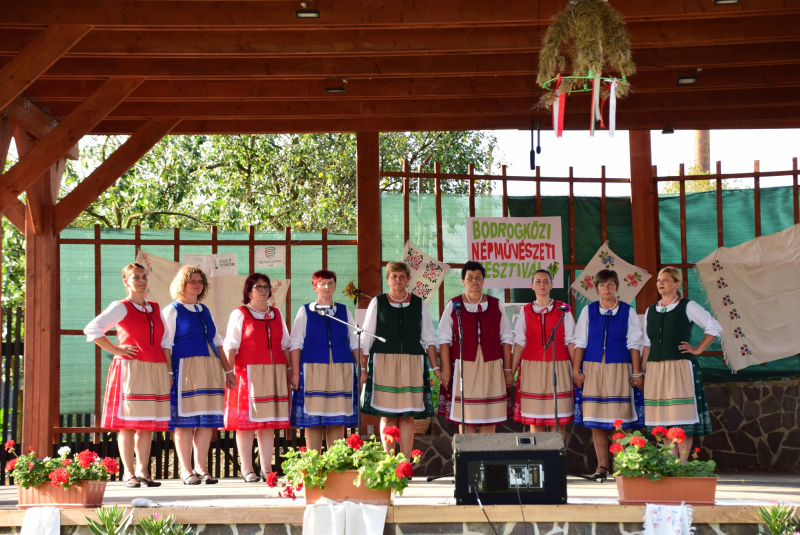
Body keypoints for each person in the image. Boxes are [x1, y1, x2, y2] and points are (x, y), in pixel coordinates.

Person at [84, 263, 170, 488]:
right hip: (131, 369)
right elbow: (93, 329)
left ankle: (143, 470)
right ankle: (128, 473)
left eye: (143, 277)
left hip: (155, 368)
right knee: (129, 424)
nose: (141, 281)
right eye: (135, 277)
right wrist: (117, 350)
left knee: (147, 425)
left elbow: (165, 341)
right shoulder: (120, 307)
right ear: (126, 282)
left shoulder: (155, 307)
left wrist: (168, 370)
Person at [162, 265, 235, 485]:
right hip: (185, 367)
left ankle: (201, 468)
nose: (196, 284)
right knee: (185, 421)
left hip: (210, 368)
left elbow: (217, 340)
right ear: (181, 284)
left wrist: (228, 370)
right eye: (191, 280)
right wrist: (168, 371)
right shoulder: (173, 310)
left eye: (200, 281)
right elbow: (166, 344)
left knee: (205, 421)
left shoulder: (205, 310)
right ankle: (186, 470)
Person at [360, 261, 440, 458]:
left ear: (408, 279)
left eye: (402, 276)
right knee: (388, 416)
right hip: (384, 363)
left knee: (407, 416)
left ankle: (404, 462)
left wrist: (436, 367)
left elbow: (429, 337)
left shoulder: (419, 303)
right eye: (394, 276)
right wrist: (363, 368)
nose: (398, 280)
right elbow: (366, 337)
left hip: (412, 364)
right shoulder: (377, 302)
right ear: (387, 280)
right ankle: (389, 462)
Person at [642, 266, 721, 462]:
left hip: (680, 367)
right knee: (665, 419)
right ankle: (671, 463)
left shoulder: (688, 306)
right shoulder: (650, 310)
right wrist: (642, 370)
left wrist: (698, 349)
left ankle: (683, 465)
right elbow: (646, 343)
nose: (661, 283)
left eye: (666, 280)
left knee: (681, 417)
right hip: (656, 369)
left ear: (677, 284)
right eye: (659, 280)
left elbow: (714, 326)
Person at [572, 269, 644, 481]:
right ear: (596, 288)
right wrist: (576, 371)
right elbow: (580, 343)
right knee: (597, 420)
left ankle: (623, 465)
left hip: (620, 368)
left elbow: (635, 344)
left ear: (617, 287)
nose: (606, 289)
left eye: (610, 285)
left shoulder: (627, 311)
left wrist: (637, 372)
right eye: (602, 285)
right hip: (593, 368)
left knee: (619, 420)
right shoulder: (588, 310)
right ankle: (602, 465)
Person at [224, 273, 291, 482]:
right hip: (248, 372)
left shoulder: (277, 314)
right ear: (248, 291)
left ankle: (265, 467)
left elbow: (285, 345)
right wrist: (229, 372)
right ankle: (246, 468)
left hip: (274, 372)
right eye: (258, 287)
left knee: (267, 423)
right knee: (246, 423)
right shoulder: (240, 314)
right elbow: (231, 345)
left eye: (266, 287)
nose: (263, 290)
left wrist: (289, 371)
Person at [437, 261, 513, 433]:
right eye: (470, 278)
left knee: (489, 416)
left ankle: (487, 458)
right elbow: (444, 339)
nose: (474, 281)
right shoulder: (454, 304)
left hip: (491, 365)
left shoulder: (495, 304)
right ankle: (468, 456)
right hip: (464, 366)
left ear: (483, 280)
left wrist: (507, 369)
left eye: (478, 277)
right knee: (466, 417)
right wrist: (446, 370)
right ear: (463, 281)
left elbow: (506, 338)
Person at [289, 270, 360, 452]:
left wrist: (362, 368)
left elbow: (354, 342)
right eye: (322, 283)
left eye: (330, 283)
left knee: (337, 417)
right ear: (315, 287)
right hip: (313, 368)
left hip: (341, 368)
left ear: (335, 287)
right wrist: (295, 374)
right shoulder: (305, 311)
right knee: (314, 418)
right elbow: (295, 343)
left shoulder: (344, 310)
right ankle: (314, 462)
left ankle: (333, 464)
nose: (327, 287)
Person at [509, 269, 576, 439]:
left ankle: (558, 459)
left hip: (559, 365)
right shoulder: (524, 311)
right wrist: (511, 371)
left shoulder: (563, 309)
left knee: (557, 418)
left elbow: (571, 340)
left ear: (552, 285)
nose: (542, 284)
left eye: (546, 281)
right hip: (532, 366)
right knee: (535, 417)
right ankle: (539, 459)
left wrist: (576, 369)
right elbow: (519, 342)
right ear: (532, 286)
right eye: (538, 281)